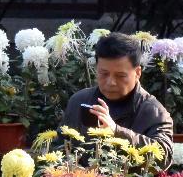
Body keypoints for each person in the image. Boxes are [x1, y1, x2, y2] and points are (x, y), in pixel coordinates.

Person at [62, 33, 174, 168]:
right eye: (104, 74)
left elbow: (164, 156)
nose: (111, 82)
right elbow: (60, 145)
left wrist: (116, 131)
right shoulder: (79, 100)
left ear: (138, 72)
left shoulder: (153, 111)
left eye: (120, 76)